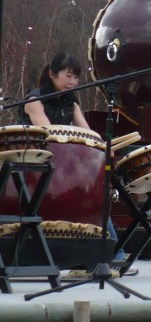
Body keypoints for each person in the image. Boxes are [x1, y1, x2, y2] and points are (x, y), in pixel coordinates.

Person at [21, 53, 131, 269]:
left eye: (76, 78)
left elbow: (86, 132)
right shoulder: (34, 100)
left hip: (61, 165)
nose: (72, 82)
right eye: (68, 76)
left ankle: (113, 253)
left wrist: (102, 144)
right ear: (52, 74)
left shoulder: (71, 102)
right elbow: (48, 133)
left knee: (94, 196)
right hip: (32, 165)